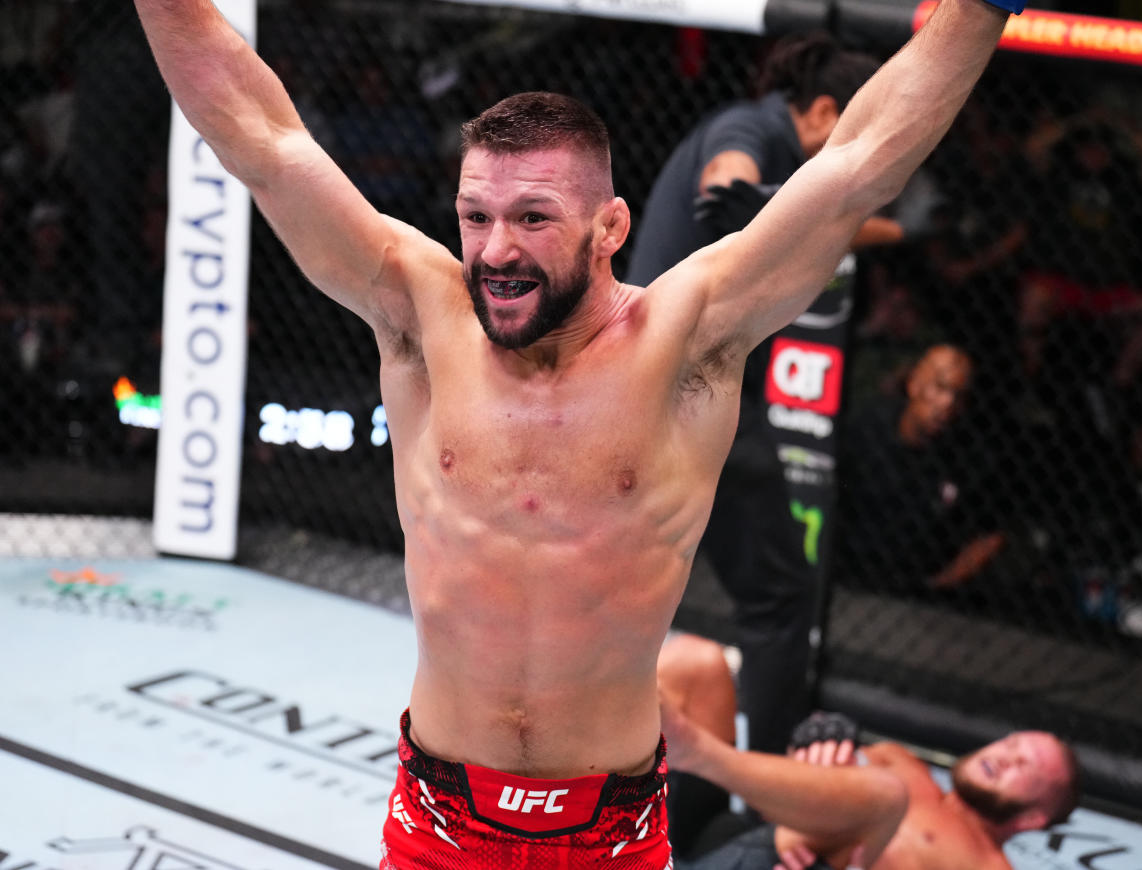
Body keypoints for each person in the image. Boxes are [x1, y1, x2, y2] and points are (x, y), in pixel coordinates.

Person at [133, 0, 1017, 865]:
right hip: (440, 820)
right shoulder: (420, 316)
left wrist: (982, 8)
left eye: (532, 218)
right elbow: (264, 139)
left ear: (611, 228)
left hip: (612, 832)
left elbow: (857, 163)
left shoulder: (689, 339)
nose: (496, 251)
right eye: (476, 216)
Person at [627, 32, 936, 760]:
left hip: (666, 391)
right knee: (776, 596)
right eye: (855, 128)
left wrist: (868, 226)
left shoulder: (771, 137)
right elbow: (724, 197)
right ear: (825, 110)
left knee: (627, 577)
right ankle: (774, 787)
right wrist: (874, 223)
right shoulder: (752, 128)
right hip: (682, 396)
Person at [657, 633, 1080, 870]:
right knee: (699, 661)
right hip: (730, 837)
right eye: (1011, 743)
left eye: (1023, 765)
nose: (1005, 755)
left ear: (1033, 817)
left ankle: (693, 750)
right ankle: (595, 799)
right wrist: (817, 737)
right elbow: (780, 789)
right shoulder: (901, 760)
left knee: (886, 796)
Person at [837, 344, 1006, 592]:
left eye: (958, 395)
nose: (947, 403)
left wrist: (935, 587)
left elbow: (991, 536)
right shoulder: (866, 427)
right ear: (914, 384)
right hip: (846, 574)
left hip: (914, 590)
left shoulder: (968, 457)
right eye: (940, 387)